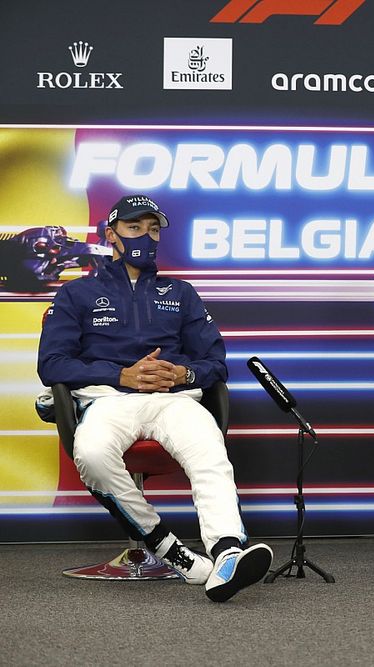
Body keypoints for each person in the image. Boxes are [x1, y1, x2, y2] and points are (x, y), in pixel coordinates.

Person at [37, 195, 272, 601]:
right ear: (111, 235)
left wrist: (184, 373)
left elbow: (216, 362)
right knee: (91, 455)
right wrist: (120, 374)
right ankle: (170, 549)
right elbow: (52, 364)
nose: (146, 236)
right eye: (134, 228)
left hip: (174, 399)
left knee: (209, 449)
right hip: (107, 400)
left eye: (154, 229)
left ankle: (227, 551)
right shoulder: (75, 294)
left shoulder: (181, 292)